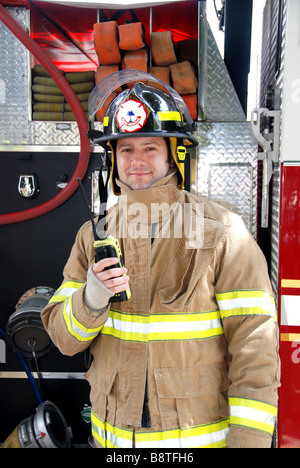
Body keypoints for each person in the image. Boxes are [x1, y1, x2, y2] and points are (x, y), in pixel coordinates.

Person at [41, 71, 280, 449]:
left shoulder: (221, 232)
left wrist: (248, 440)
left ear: (173, 155)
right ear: (113, 158)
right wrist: (90, 300)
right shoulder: (94, 236)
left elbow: (256, 345)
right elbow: (64, 340)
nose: (136, 160)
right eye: (125, 149)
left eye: (149, 148)